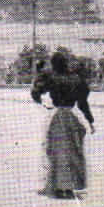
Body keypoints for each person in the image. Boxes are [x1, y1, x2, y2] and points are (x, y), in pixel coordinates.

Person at [31, 52, 95, 199]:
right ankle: (70, 186)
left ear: (54, 64)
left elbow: (35, 92)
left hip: (57, 115)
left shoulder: (52, 78)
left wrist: (43, 103)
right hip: (73, 116)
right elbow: (83, 103)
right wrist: (90, 121)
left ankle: (59, 186)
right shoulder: (76, 79)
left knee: (57, 151)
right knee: (73, 151)